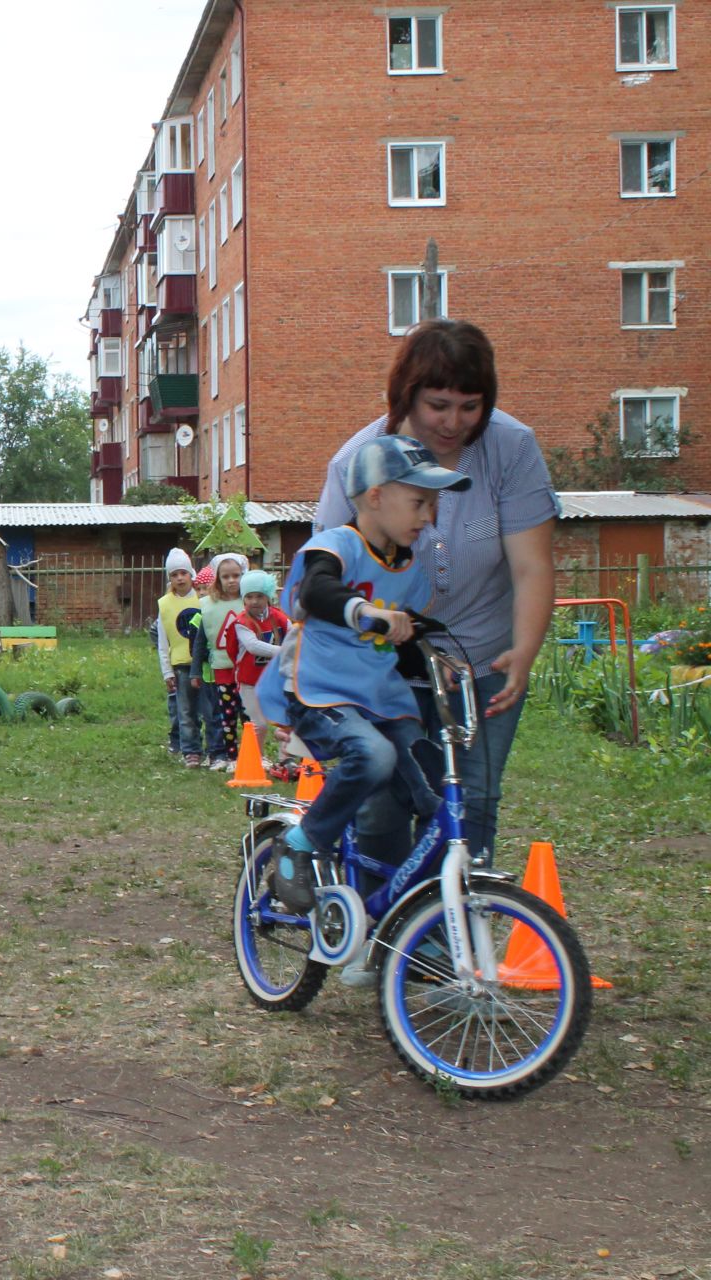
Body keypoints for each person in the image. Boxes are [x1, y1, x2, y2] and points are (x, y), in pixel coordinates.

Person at [315, 318, 557, 865]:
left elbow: (532, 567)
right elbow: (333, 584)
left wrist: (523, 651)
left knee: (471, 804)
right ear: (408, 397)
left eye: (470, 406)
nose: (454, 422)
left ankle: (448, 944)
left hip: (484, 661)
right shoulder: (358, 464)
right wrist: (404, 651)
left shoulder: (512, 450)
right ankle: (380, 939)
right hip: (383, 664)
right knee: (383, 803)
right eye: (439, 405)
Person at [258, 436, 471, 942]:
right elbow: (318, 591)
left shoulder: (411, 572)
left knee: (432, 795)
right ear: (376, 496)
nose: (429, 515)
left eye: (434, 504)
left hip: (382, 701)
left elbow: (401, 641)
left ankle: (404, 926)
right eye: (420, 502)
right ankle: (302, 843)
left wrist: (436, 658)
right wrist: (365, 612)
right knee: (373, 757)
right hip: (320, 691)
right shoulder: (337, 546)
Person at [226, 569, 293, 768]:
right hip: (249, 681)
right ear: (244, 599)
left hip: (275, 678)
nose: (254, 601)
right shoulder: (241, 622)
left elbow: (293, 633)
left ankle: (286, 759)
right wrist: (284, 651)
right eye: (250, 597)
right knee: (260, 724)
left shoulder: (279, 618)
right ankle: (255, 759)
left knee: (285, 720)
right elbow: (254, 646)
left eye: (259, 596)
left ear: (268, 596)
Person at [193, 552, 248, 769]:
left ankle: (254, 754)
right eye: (226, 576)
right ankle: (228, 756)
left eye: (236, 575)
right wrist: (195, 672)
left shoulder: (250, 601)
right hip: (222, 669)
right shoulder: (207, 605)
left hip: (249, 671)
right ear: (218, 579)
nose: (231, 580)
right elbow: (199, 642)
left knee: (249, 715)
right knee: (226, 716)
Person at [153, 549, 207, 766]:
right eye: (174, 574)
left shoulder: (203, 599)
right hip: (181, 664)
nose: (180, 578)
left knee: (209, 710)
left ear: (191, 574)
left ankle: (213, 749)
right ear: (170, 578)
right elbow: (162, 642)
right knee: (185, 711)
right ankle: (191, 750)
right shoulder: (164, 604)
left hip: (205, 664)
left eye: (183, 573)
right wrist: (167, 671)